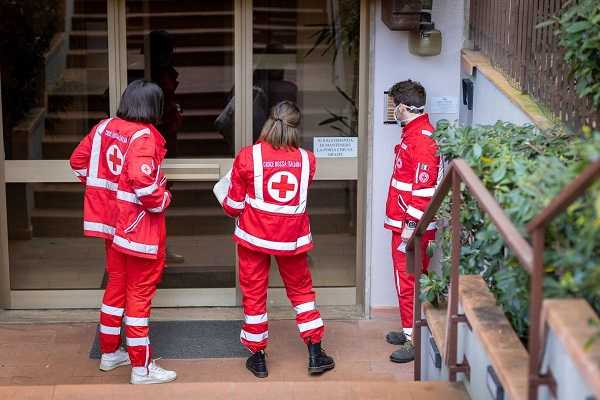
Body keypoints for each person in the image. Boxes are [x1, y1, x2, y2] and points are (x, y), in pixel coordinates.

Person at [69, 80, 177, 384]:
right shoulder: (144, 136)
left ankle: (109, 353)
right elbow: (143, 184)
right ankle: (142, 368)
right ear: (154, 106)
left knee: (116, 286)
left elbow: (77, 162)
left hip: (111, 225)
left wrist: (102, 193)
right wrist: (164, 199)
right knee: (139, 295)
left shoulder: (103, 128)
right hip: (138, 228)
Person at [220, 101, 335, 378]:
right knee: (302, 293)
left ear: (268, 121)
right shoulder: (308, 160)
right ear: (296, 126)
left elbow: (233, 206)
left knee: (254, 294)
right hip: (291, 239)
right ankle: (315, 353)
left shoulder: (248, 156)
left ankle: (258, 357)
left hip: (254, 238)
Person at [384, 80, 440, 363]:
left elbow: (423, 192)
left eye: (395, 105)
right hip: (405, 222)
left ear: (404, 107)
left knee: (408, 281)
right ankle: (409, 329)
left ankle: (414, 339)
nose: (393, 109)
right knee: (407, 279)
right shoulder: (414, 133)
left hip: (411, 227)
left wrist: (409, 230)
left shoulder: (421, 140)